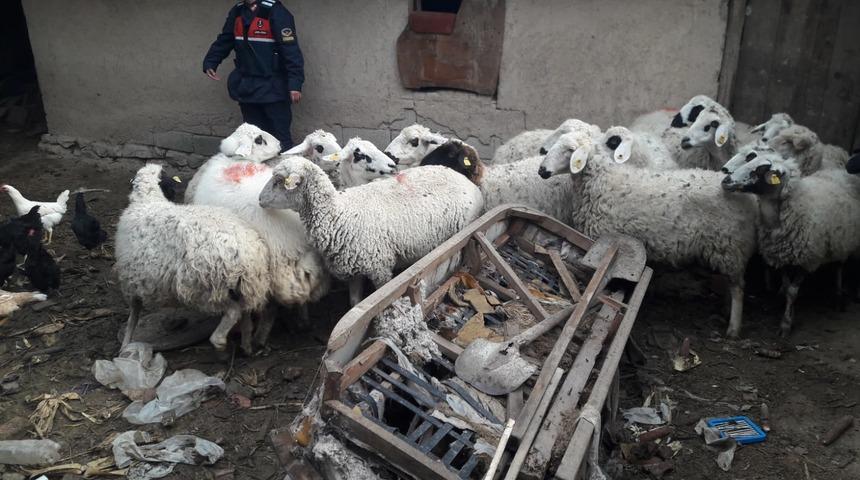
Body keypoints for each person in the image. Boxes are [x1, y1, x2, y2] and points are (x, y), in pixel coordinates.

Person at [203, 0, 304, 150]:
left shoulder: (276, 12)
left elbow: (291, 51)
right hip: (247, 87)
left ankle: (285, 171)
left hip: (273, 87)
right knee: (253, 139)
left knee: (280, 139)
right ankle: (260, 173)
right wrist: (211, 61)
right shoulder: (237, 11)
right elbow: (225, 39)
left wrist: (295, 84)